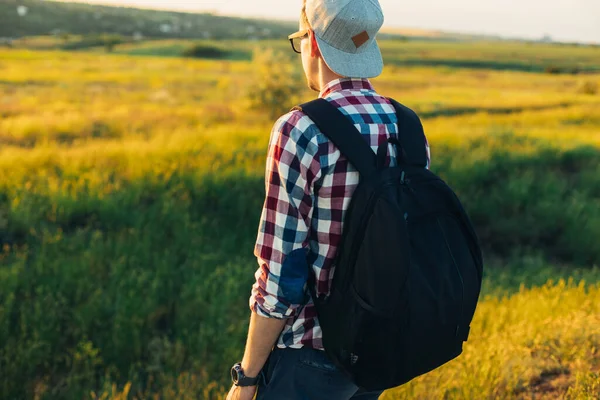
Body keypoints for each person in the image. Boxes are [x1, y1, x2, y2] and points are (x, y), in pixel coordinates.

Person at [226, 0, 430, 399]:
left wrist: (246, 377)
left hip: (309, 359)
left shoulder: (300, 128)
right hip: (377, 349)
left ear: (313, 43)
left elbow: (281, 274)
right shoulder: (407, 125)